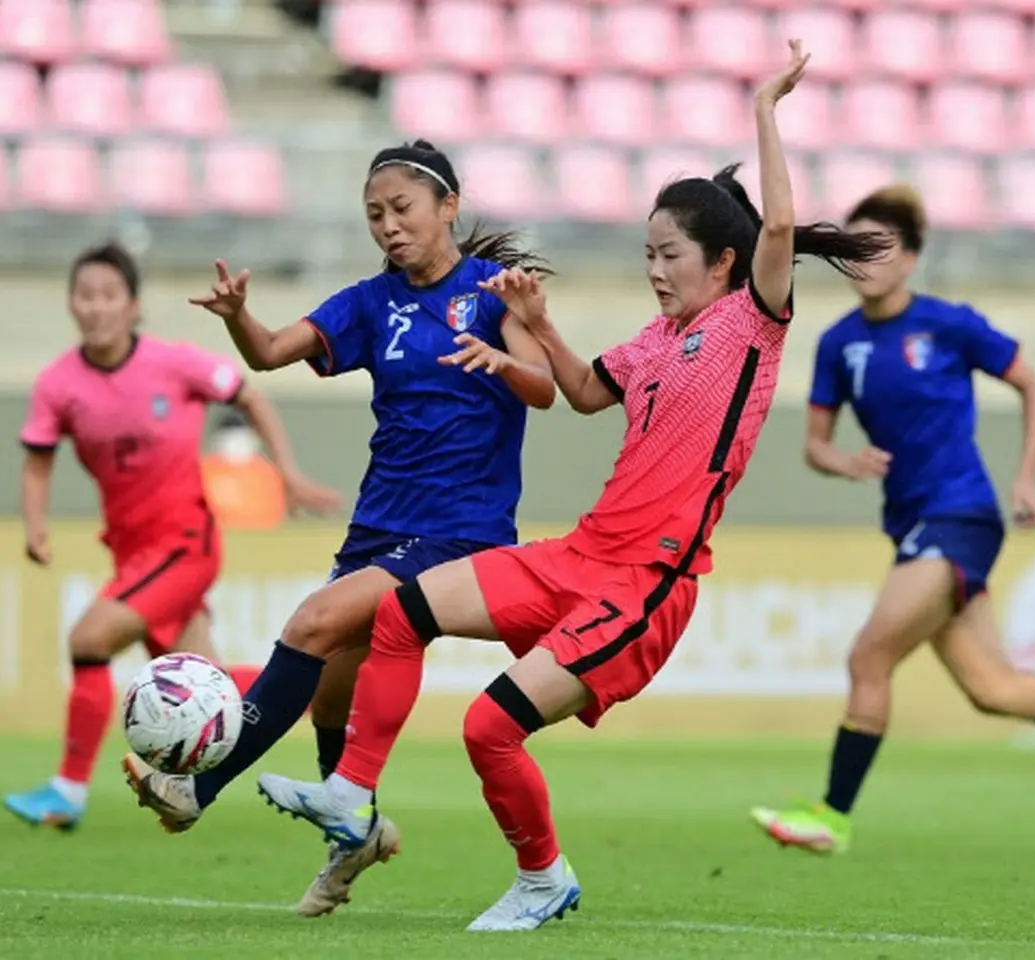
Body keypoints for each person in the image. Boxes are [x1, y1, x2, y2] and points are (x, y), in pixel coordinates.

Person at [254, 41, 892, 932]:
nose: (654, 268)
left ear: (722, 263)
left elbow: (779, 232)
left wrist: (764, 110)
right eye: (647, 252)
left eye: (669, 253)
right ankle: (351, 797)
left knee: (489, 726)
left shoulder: (754, 323)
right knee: (398, 612)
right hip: (582, 554)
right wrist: (539, 325)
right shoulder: (654, 342)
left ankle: (543, 876)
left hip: (648, 580)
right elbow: (586, 394)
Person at [123, 139, 557, 912]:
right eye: (374, 215)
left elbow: (545, 388)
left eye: (402, 209)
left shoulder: (493, 293)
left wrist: (500, 357)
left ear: (448, 206)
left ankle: (195, 789)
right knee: (328, 698)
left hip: (461, 530)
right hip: (377, 527)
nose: (389, 226)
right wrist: (237, 318)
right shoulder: (368, 302)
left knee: (312, 622)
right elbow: (267, 355)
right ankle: (353, 836)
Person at [748, 185, 1035, 856]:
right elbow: (814, 446)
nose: (864, 260)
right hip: (914, 527)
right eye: (853, 248)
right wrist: (842, 462)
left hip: (962, 515)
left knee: (869, 654)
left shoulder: (949, 325)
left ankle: (833, 815)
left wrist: (1026, 477)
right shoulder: (838, 344)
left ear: (912, 259)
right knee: (993, 689)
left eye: (879, 248)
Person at [4, 241, 339, 831]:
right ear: (70, 304)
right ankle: (317, 693)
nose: (96, 308)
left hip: (185, 543)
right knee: (207, 686)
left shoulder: (175, 362)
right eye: (84, 296)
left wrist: (286, 474)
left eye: (109, 295)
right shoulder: (59, 383)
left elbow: (249, 395)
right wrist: (35, 525)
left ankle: (68, 789)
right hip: (134, 553)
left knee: (87, 640)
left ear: (133, 305)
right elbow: (36, 457)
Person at [201, 408, 288, 530]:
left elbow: (275, 511)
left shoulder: (266, 472)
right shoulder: (204, 469)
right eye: (229, 435)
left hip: (262, 534)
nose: (235, 442)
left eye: (240, 436)